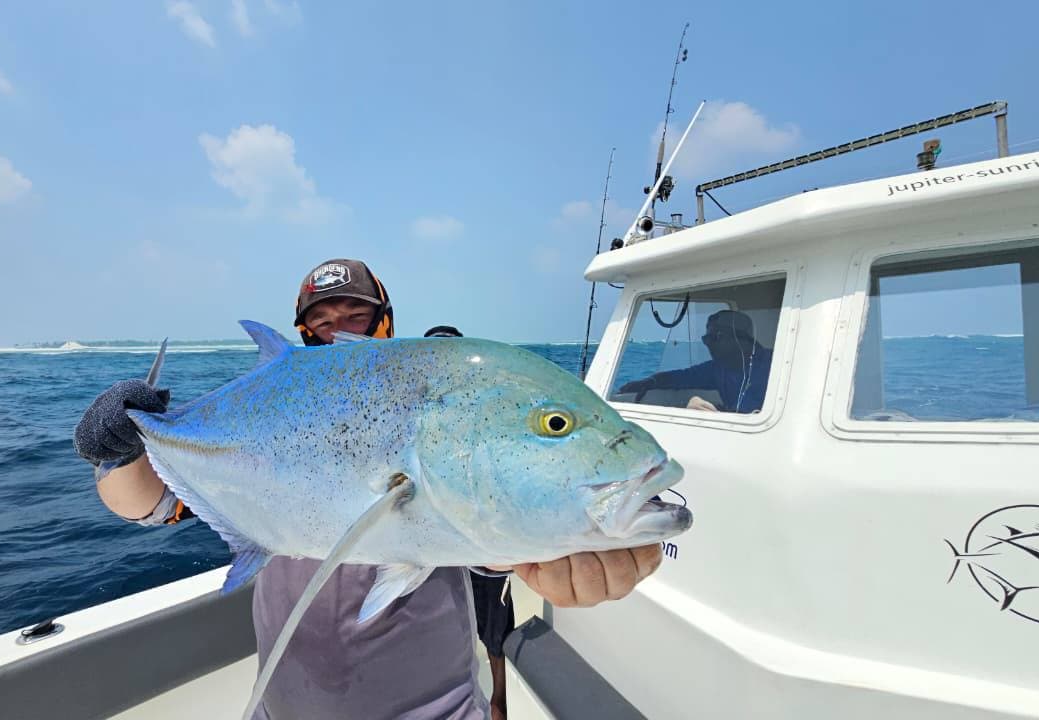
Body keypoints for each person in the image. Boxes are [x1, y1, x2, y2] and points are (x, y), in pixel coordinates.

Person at [75, 258, 663, 719]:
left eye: (352, 317)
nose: (336, 333)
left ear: (385, 319)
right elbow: (146, 506)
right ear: (301, 333)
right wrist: (123, 448)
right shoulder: (270, 416)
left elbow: (504, 547)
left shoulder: (432, 408)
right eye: (320, 322)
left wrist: (575, 550)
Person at [424, 324, 514, 720]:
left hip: (482, 543)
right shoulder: (421, 407)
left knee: (496, 629)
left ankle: (499, 701)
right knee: (449, 627)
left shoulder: (487, 406)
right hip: (438, 543)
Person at [618, 309, 772, 414]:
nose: (708, 344)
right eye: (706, 339)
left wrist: (701, 408)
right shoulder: (718, 368)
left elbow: (752, 414)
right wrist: (649, 381)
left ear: (740, 338)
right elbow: (680, 377)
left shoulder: (772, 366)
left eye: (714, 337)